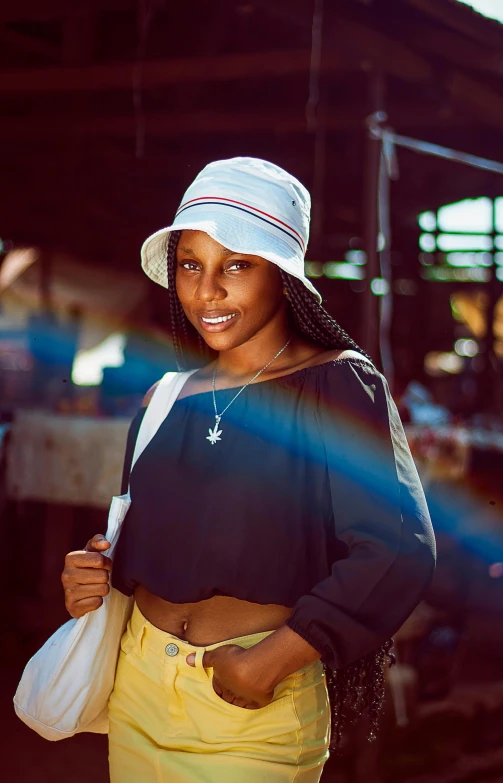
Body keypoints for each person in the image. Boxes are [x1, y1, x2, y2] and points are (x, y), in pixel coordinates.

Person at [61, 157, 436, 782]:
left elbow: (397, 550)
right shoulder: (164, 400)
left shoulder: (338, 384)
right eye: (190, 266)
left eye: (237, 265)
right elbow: (158, 538)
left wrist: (270, 662)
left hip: (250, 703)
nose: (207, 292)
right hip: (139, 688)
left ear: (283, 275)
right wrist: (93, 574)